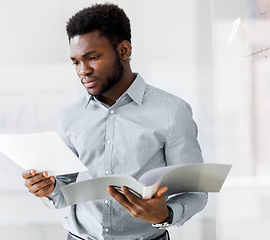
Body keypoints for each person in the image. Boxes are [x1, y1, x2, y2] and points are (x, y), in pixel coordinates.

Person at [22, 3, 207, 240]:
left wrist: (165, 214)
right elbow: (63, 193)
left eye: (93, 58)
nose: (83, 71)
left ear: (123, 50)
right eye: (76, 62)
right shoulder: (69, 117)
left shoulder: (172, 111)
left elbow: (195, 192)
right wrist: (47, 190)